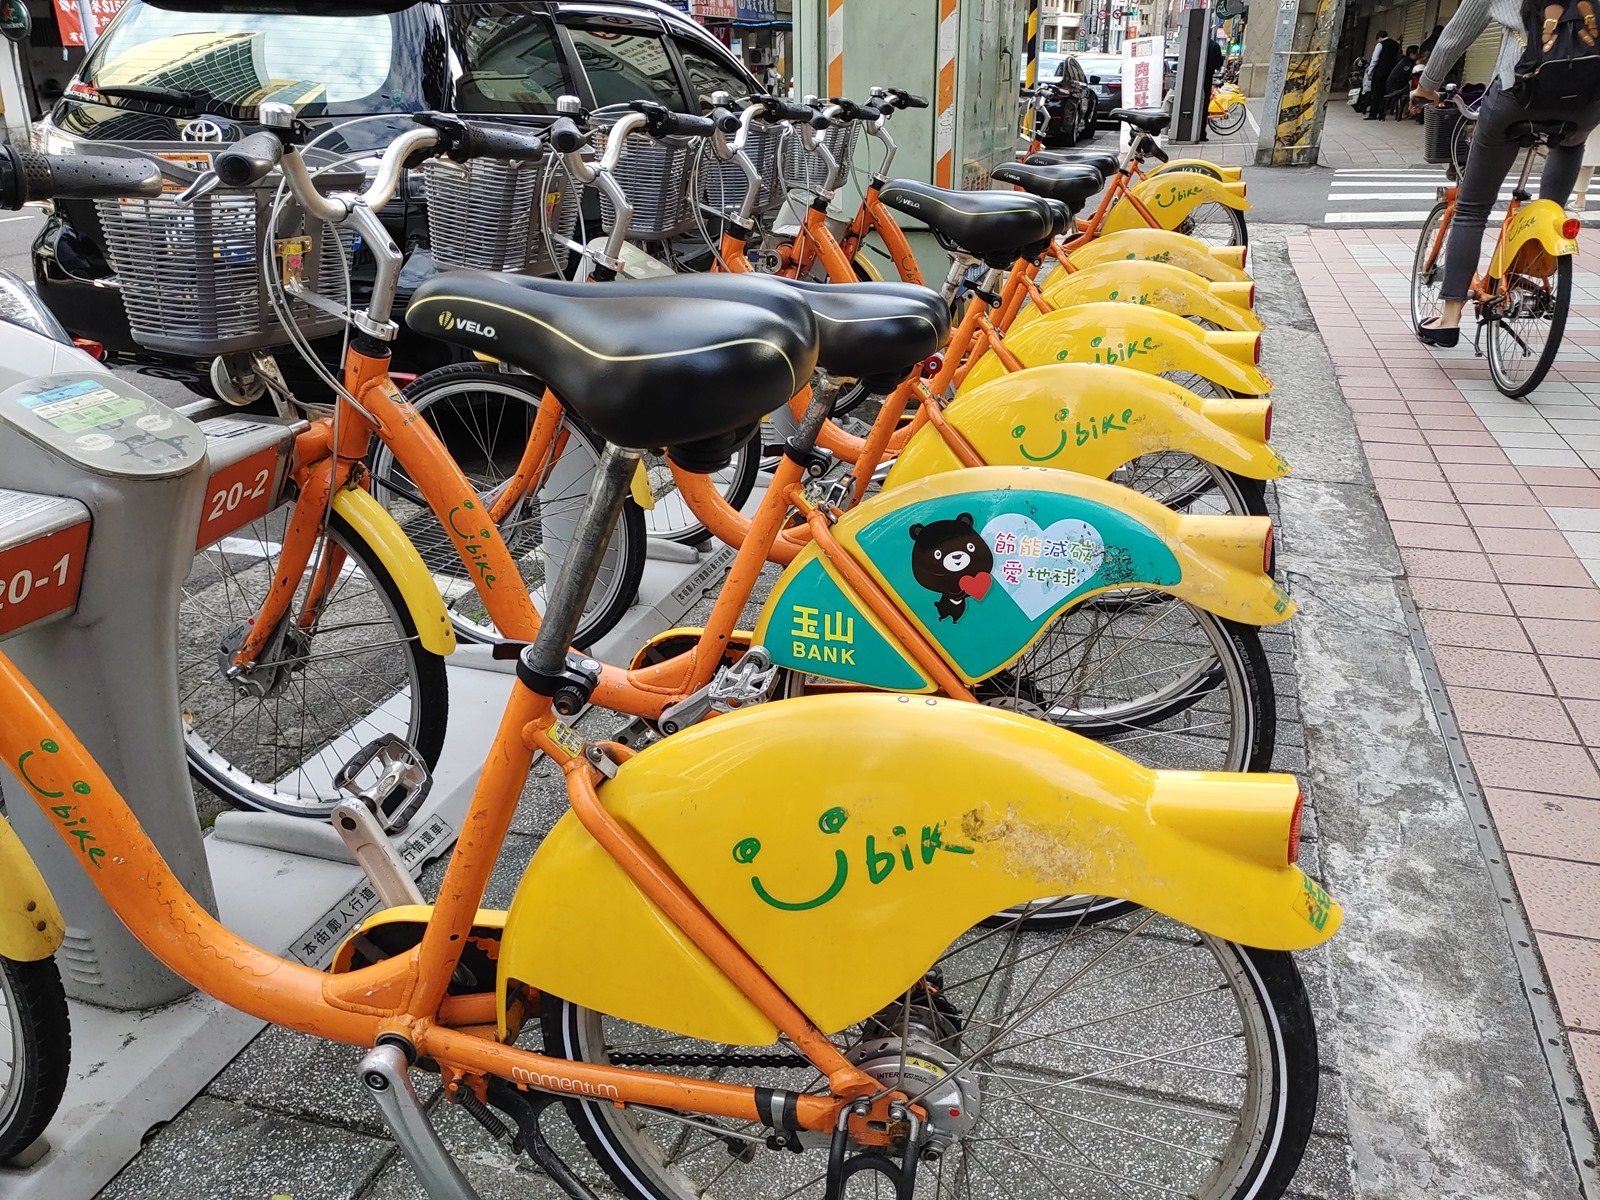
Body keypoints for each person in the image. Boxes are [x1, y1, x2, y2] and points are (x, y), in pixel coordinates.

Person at [1413, 0, 1600, 345]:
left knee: (1472, 209)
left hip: (1518, 95)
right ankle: (1544, 235)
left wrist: (1427, 85)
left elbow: (1454, 37)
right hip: (1585, 101)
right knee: (1571, 143)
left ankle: (1450, 318)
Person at [1362, 33, 1401, 117]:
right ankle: (1381, 113)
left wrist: (1370, 71)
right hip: (1390, 72)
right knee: (1384, 93)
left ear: (1379, 37)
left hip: (1379, 72)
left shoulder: (1380, 44)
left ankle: (1373, 114)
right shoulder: (1396, 44)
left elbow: (1375, 59)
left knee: (1375, 93)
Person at [1376, 45, 1421, 120]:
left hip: (1393, 87)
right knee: (1416, 90)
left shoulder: (1404, 61)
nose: (1418, 56)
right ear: (1412, 54)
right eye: (1417, 53)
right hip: (1395, 89)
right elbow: (1411, 76)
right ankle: (1411, 112)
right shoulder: (1408, 64)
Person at [1199, 35, 1224, 140]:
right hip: (1207, 78)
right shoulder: (1214, 45)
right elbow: (1219, 63)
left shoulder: (1196, 43)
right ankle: (1201, 133)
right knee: (1204, 104)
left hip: (1193, 78)